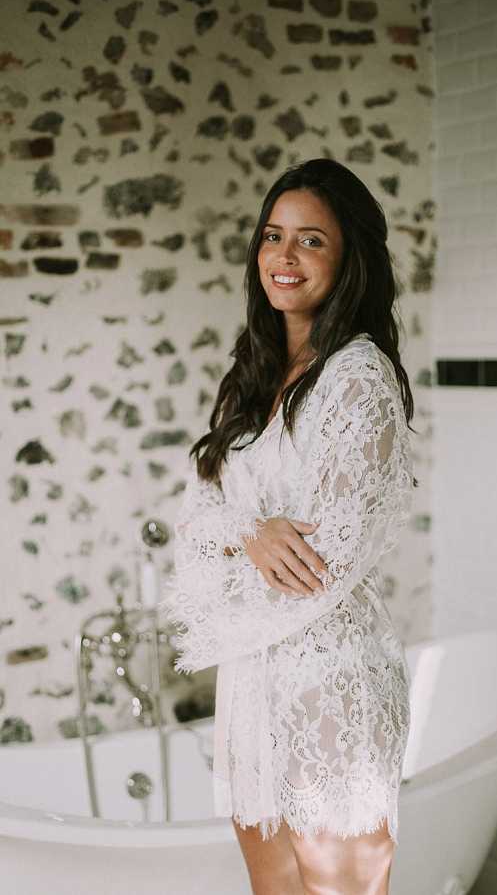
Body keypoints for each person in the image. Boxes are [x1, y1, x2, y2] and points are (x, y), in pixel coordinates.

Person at [159, 157, 416, 895]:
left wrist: (229, 544)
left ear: (350, 258)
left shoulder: (357, 377)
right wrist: (253, 532)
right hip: (254, 681)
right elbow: (193, 515)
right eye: (274, 236)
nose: (285, 256)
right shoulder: (256, 369)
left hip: (328, 682)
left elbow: (324, 564)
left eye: (312, 240)